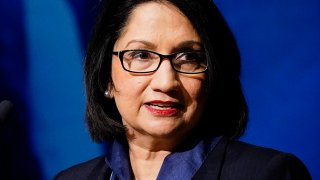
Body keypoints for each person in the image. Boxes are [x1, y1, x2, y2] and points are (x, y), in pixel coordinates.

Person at [55, 0, 311, 179]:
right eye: (142, 55)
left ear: (213, 76)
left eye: (189, 57)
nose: (166, 82)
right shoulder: (71, 179)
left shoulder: (268, 174)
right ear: (106, 79)